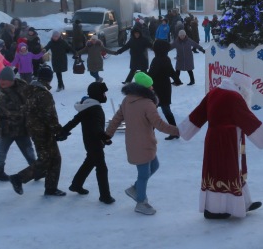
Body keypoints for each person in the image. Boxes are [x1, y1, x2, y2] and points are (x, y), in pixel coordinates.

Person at [179, 71, 263, 220]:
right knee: (225, 171)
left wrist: (183, 130)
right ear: (242, 88)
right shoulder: (234, 97)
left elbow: (198, 113)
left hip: (213, 138)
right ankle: (214, 209)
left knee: (221, 170)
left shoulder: (215, 91)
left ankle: (242, 202)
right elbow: (249, 120)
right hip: (225, 140)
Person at [106, 72, 180, 215]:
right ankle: (141, 202)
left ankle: (135, 188)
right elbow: (159, 124)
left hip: (139, 142)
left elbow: (116, 118)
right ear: (145, 88)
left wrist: (108, 134)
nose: (152, 88)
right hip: (143, 143)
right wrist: (177, 130)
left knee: (155, 166)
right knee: (144, 174)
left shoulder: (127, 99)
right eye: (150, 86)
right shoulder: (147, 104)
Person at [8, 65, 66, 197]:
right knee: (46, 159)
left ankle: (51, 188)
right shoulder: (43, 94)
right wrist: (59, 130)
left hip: (34, 129)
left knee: (54, 158)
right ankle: (19, 178)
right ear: (49, 79)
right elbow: (49, 115)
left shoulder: (29, 90)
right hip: (42, 131)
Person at [58, 82, 115, 204]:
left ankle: (76, 185)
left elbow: (74, 121)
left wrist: (63, 131)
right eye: (103, 93)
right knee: (101, 168)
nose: (105, 95)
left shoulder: (87, 106)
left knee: (89, 162)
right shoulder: (95, 109)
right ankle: (105, 196)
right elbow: (96, 129)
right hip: (95, 143)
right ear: (98, 94)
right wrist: (105, 138)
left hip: (89, 141)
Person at [0, 67, 37, 181]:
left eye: (4, 80)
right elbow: (10, 111)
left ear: (12, 80)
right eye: (0, 79)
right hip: (6, 127)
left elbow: (31, 96)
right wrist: (28, 108)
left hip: (22, 127)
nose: (1, 82)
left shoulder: (22, 84)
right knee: (2, 150)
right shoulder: (0, 93)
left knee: (28, 149)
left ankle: (36, 170)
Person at [148, 39, 183, 140]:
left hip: (157, 88)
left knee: (153, 111)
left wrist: (142, 76)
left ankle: (149, 134)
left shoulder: (157, 60)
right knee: (165, 110)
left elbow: (151, 74)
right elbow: (171, 71)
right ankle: (175, 132)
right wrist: (177, 80)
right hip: (166, 87)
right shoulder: (166, 58)